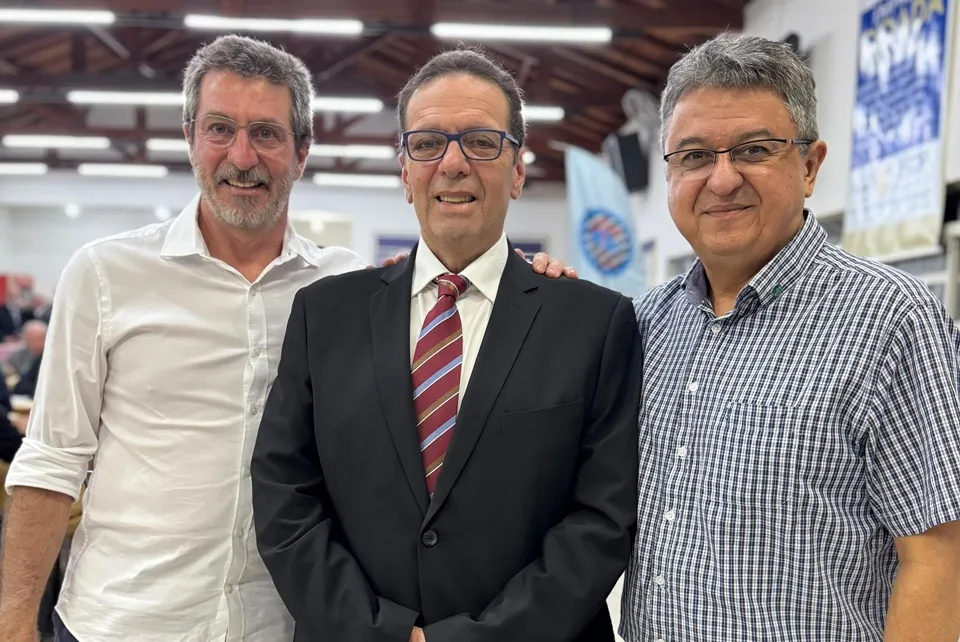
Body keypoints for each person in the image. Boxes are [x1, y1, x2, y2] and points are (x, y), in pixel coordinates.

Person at [0, 35, 569, 642]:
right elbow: (52, 460)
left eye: (267, 134)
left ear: (301, 152)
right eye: (220, 129)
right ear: (191, 137)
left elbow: (450, 288)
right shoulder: (105, 275)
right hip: (124, 621)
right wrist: (13, 624)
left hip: (283, 623)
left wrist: (523, 283)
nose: (242, 156)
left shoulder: (347, 289)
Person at [251, 49, 642, 642]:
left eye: (482, 142)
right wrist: (379, 632)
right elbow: (284, 493)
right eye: (428, 143)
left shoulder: (595, 322)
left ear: (517, 171)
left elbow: (602, 519)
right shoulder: (324, 315)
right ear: (405, 172)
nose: (453, 164)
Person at [613, 34, 960, 641]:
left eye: (754, 150)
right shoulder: (645, 324)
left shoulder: (890, 320)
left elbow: (939, 556)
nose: (722, 179)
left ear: (809, 166)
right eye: (694, 156)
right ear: (668, 172)